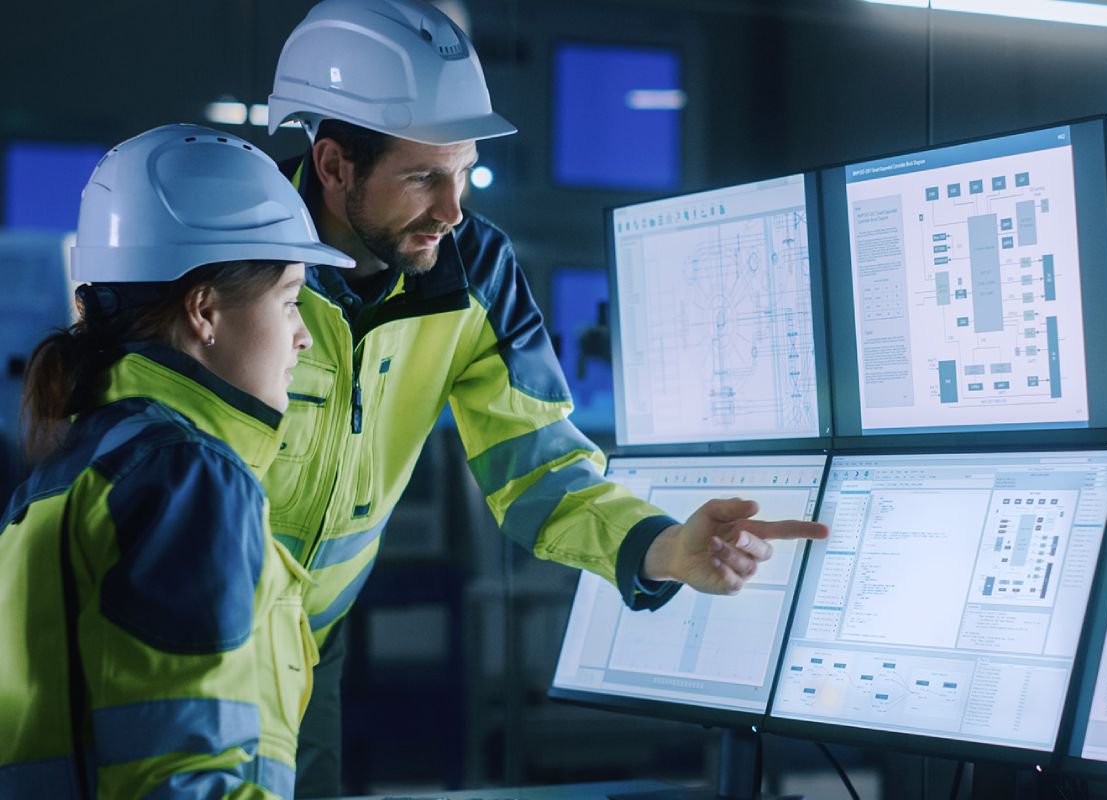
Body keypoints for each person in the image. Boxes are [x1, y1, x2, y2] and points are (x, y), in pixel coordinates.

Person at [265, 1, 829, 792]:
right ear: (333, 166)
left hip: (309, 645)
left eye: (463, 172)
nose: (453, 210)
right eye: (423, 177)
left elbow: (539, 467)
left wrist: (662, 548)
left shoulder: (475, 271)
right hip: (181, 637)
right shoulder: (234, 261)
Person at [0, 124, 356, 799]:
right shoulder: (189, 478)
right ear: (204, 311)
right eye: (288, 302)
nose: (304, 336)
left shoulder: (68, 469)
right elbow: (181, 778)